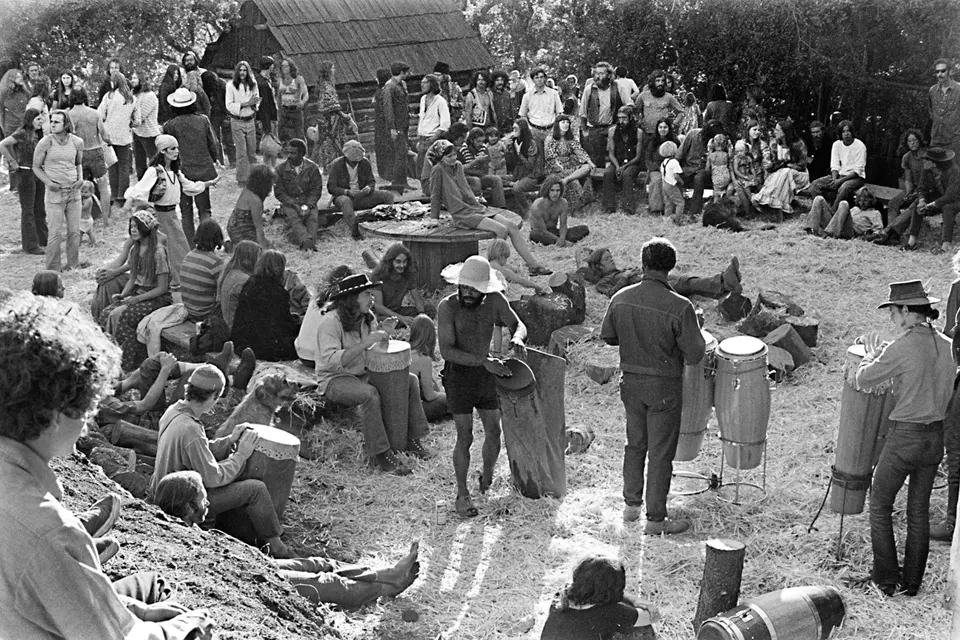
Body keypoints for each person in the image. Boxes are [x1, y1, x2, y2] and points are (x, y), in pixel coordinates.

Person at [0, 292, 216, 640]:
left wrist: (132, 611)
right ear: (55, 414)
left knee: (142, 592)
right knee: (178, 607)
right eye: (85, 407)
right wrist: (182, 628)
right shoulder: (52, 533)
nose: (87, 423)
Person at [153, 470, 420, 608]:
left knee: (315, 563)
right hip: (248, 581)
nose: (207, 501)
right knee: (324, 584)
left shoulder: (185, 528)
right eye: (202, 496)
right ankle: (386, 589)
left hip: (250, 566)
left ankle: (383, 573)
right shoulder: (183, 541)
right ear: (189, 507)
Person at [600, 238, 706, 533]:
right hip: (664, 386)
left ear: (643, 264)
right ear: (670, 267)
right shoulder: (680, 306)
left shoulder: (620, 297)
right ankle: (656, 519)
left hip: (630, 383)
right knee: (660, 453)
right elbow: (696, 355)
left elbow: (608, 336)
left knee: (635, 445)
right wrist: (694, 324)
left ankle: (631, 507)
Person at [855, 280, 955, 596]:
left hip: (904, 439)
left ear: (908, 311)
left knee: (880, 505)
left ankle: (886, 580)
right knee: (918, 512)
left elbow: (863, 379)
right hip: (934, 439)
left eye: (894, 312)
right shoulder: (947, 344)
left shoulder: (903, 346)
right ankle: (912, 583)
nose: (892, 319)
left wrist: (871, 357)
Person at [151, 363, 294, 559]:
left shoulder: (175, 412)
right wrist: (241, 455)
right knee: (255, 489)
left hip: (167, 492)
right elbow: (213, 478)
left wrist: (229, 440)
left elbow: (199, 450)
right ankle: (277, 546)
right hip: (182, 503)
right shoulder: (191, 429)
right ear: (213, 396)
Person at [295, 272, 429, 475]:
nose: (372, 298)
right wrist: (366, 342)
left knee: (408, 380)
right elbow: (332, 361)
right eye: (367, 294)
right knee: (369, 395)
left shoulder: (368, 318)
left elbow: (373, 352)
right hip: (334, 379)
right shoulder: (330, 323)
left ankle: (412, 439)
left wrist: (383, 334)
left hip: (363, 373)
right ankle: (381, 454)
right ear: (352, 299)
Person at [437, 256, 526, 517]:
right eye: (465, 287)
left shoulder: (496, 301)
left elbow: (517, 324)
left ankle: (486, 479)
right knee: (465, 436)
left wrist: (518, 338)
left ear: (485, 290)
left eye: (474, 290)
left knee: (493, 432)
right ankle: (462, 494)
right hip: (460, 376)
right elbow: (447, 350)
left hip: (487, 374)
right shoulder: (447, 307)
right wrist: (482, 361)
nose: (468, 293)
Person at [427, 139, 551, 276]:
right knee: (501, 230)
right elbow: (435, 195)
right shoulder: (437, 170)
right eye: (448, 156)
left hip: (475, 207)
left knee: (512, 227)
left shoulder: (458, 166)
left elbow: (465, 188)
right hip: (461, 213)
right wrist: (434, 219)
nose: (453, 158)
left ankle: (533, 265)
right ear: (440, 157)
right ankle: (492, 270)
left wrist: (477, 200)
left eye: (454, 155)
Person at [123, 134, 219, 286]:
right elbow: (140, 188)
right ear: (163, 151)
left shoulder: (175, 172)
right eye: (173, 149)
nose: (176, 152)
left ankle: (183, 279)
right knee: (170, 249)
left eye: (177, 148)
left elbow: (190, 187)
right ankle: (173, 281)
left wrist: (209, 183)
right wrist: (129, 200)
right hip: (160, 216)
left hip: (173, 215)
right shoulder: (155, 171)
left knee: (180, 247)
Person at [98, 210, 173, 371]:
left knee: (123, 316)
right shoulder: (135, 250)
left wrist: (136, 299)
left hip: (157, 298)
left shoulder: (158, 253)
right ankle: (109, 357)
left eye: (137, 227)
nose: (133, 230)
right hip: (138, 293)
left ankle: (129, 361)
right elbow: (133, 278)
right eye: (131, 226)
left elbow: (162, 288)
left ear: (146, 229)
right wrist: (123, 295)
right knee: (106, 313)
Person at [540, 555, 659, 640]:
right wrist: (635, 600)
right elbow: (651, 617)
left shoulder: (561, 596)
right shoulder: (611, 612)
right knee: (641, 628)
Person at [163, 87, 219, 247]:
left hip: (181, 171)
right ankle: (207, 243)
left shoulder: (170, 125)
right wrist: (212, 160)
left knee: (186, 212)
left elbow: (166, 151)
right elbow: (213, 144)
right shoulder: (203, 120)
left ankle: (189, 246)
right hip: (202, 168)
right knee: (204, 209)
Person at [581, 246, 741, 299]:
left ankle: (723, 284)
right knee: (685, 284)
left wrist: (634, 271)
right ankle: (723, 283)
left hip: (650, 277)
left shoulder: (620, 271)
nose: (613, 261)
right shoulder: (602, 282)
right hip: (648, 286)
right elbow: (611, 294)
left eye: (611, 257)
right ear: (599, 267)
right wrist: (624, 278)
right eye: (608, 260)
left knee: (685, 282)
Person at [33, 109, 84, 272]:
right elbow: (36, 167)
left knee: (74, 232)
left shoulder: (77, 142)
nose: (52, 124)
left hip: (74, 192)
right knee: (55, 233)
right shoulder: (45, 142)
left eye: (56, 122)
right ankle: (53, 268)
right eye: (51, 121)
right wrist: (49, 182)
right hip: (55, 192)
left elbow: (78, 164)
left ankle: (73, 264)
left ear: (66, 124)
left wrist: (80, 179)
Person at [231, 250, 299, 362]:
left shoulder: (250, 283)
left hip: (242, 341)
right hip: (264, 347)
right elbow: (284, 326)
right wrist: (296, 322)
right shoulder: (278, 292)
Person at [0, 107, 47, 254]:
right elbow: (2, 144)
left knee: (39, 208)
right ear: (30, 120)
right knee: (28, 211)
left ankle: (43, 240)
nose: (41, 121)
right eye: (38, 119)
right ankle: (31, 245)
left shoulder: (38, 134)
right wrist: (12, 162)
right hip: (25, 174)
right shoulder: (21, 133)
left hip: (38, 173)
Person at [328, 139, 396, 240]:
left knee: (388, 195)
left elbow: (371, 181)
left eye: (357, 160)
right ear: (346, 157)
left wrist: (369, 188)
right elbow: (331, 187)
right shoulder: (336, 165)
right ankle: (355, 232)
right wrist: (346, 191)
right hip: (344, 197)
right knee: (345, 201)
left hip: (362, 196)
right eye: (353, 161)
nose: (355, 163)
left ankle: (387, 225)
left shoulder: (365, 162)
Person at [67, 87, 112, 222]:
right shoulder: (94, 113)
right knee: (103, 186)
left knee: (79, 188)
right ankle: (106, 219)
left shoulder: (68, 115)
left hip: (79, 154)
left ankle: (83, 217)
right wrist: (110, 141)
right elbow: (104, 135)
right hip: (96, 151)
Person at [98, 72, 140, 211]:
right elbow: (137, 121)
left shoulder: (109, 96)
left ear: (113, 82)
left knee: (112, 166)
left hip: (109, 135)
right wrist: (129, 124)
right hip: (124, 137)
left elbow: (100, 114)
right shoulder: (132, 98)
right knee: (124, 167)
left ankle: (113, 196)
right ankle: (123, 196)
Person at [752, 120, 810, 217]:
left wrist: (787, 165)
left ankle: (764, 199)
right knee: (783, 173)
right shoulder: (774, 144)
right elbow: (773, 165)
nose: (775, 131)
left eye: (778, 130)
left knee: (785, 172)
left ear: (785, 132)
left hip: (799, 176)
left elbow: (802, 165)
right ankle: (777, 207)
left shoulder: (798, 144)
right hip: (780, 175)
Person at [578, 61, 631, 167]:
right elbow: (582, 112)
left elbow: (630, 104)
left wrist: (622, 112)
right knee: (596, 159)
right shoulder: (589, 89)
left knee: (616, 156)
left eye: (602, 73)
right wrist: (585, 131)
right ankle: (597, 183)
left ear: (609, 75)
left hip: (613, 126)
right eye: (596, 73)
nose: (598, 76)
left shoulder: (617, 87)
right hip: (594, 128)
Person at [908, 147, 960, 254]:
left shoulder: (954, 171)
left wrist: (931, 205)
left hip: (956, 200)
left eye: (926, 160)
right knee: (918, 205)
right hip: (939, 199)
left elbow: (951, 195)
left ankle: (945, 246)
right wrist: (922, 200)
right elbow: (921, 188)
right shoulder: (926, 169)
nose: (923, 161)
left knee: (948, 208)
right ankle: (911, 242)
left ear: (934, 163)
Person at [806, 120, 867, 212]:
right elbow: (835, 165)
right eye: (843, 131)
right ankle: (821, 211)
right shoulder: (837, 144)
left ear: (852, 132)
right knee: (815, 185)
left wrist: (840, 181)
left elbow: (858, 170)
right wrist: (834, 179)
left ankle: (832, 212)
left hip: (856, 178)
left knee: (844, 187)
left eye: (848, 131)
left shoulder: (860, 145)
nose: (846, 134)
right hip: (839, 175)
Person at [274, 138, 323, 250]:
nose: (289, 156)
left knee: (313, 217)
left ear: (302, 154)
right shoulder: (280, 169)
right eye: (288, 152)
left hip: (308, 201)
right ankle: (307, 243)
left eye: (293, 153)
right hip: (290, 202)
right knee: (294, 218)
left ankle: (309, 243)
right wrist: (294, 205)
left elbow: (316, 189)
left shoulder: (312, 168)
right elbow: (279, 192)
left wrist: (308, 205)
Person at [369, 243, 432, 325]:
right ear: (390, 261)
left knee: (430, 310)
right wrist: (401, 318)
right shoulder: (378, 275)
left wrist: (422, 315)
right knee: (388, 322)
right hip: (380, 314)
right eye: (398, 262)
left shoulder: (408, 273)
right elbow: (379, 307)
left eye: (404, 261)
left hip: (397, 310)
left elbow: (417, 298)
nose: (402, 265)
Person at [311, 61, 356, 172]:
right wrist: (345, 117)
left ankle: (329, 165)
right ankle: (333, 166)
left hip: (325, 119)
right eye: (333, 68)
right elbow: (333, 105)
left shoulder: (323, 85)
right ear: (328, 71)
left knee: (328, 142)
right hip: (332, 119)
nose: (334, 70)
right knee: (333, 142)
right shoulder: (327, 86)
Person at [519, 68, 563, 179]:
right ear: (533, 79)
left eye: (541, 77)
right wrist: (529, 129)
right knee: (537, 158)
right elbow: (522, 115)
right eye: (536, 77)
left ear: (545, 78)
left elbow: (559, 112)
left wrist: (557, 129)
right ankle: (538, 184)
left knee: (552, 157)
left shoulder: (553, 94)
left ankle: (553, 182)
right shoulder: (527, 96)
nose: (539, 80)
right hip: (534, 130)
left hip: (550, 129)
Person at [545, 114, 595, 212]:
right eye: (563, 122)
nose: (566, 124)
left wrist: (589, 162)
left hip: (569, 165)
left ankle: (568, 179)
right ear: (557, 125)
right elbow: (550, 158)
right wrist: (561, 168)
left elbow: (579, 150)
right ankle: (575, 207)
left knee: (587, 168)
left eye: (567, 122)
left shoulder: (570, 138)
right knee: (574, 181)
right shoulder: (550, 139)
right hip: (555, 167)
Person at [677, 119, 723, 219]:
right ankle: (673, 208)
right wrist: (674, 167)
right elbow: (680, 154)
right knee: (673, 176)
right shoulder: (693, 134)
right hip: (688, 168)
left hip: (704, 170)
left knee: (699, 178)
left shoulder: (718, 140)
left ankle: (694, 212)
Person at [408, 314, 450, 423]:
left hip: (395, 408)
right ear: (431, 337)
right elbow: (429, 396)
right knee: (452, 400)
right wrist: (443, 395)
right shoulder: (423, 359)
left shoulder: (404, 349)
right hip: (411, 412)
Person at [180, 219, 225, 322]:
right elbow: (223, 291)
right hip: (206, 313)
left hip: (189, 310)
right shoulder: (215, 262)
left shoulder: (189, 255)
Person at [226, 60, 260, 186]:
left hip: (250, 119)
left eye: (244, 70)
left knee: (252, 151)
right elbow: (229, 105)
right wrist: (245, 104)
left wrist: (254, 104)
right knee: (241, 152)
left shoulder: (253, 84)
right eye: (240, 70)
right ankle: (242, 179)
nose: (242, 73)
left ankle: (254, 178)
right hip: (237, 120)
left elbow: (256, 99)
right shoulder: (231, 85)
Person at [603, 106, 643, 214]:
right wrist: (617, 167)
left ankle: (628, 207)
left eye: (624, 118)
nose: (621, 121)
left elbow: (638, 156)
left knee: (627, 175)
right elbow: (611, 153)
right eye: (619, 118)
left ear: (630, 118)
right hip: (616, 161)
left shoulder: (638, 132)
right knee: (607, 173)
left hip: (632, 163)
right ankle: (609, 206)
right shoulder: (612, 131)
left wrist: (624, 167)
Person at [803, 186, 883, 239]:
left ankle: (829, 234)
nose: (862, 203)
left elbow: (878, 231)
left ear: (871, 201)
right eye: (860, 200)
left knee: (844, 204)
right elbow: (839, 217)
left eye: (865, 201)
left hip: (850, 231)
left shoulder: (875, 213)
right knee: (819, 198)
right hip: (837, 225)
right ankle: (812, 230)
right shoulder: (855, 209)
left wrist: (863, 237)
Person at [529, 176, 590, 246]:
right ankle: (559, 242)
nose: (555, 194)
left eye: (557, 190)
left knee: (584, 229)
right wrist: (563, 242)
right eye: (552, 190)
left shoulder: (563, 203)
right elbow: (543, 231)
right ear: (547, 190)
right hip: (542, 233)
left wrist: (562, 238)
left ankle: (556, 242)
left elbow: (563, 225)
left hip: (554, 231)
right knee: (534, 234)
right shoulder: (537, 206)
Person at [218, 240, 263, 332]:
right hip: (236, 329)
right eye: (259, 257)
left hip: (229, 324)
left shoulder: (231, 272)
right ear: (251, 259)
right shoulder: (244, 280)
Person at [458, 125, 507, 208]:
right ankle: (477, 206)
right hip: (466, 179)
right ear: (471, 140)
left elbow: (484, 171)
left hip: (480, 176)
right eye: (478, 141)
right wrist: (476, 162)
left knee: (496, 179)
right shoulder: (462, 150)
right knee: (476, 180)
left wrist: (470, 169)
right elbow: (460, 170)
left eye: (482, 141)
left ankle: (500, 206)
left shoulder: (483, 148)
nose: (481, 144)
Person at [227, 163, 275, 249]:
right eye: (271, 181)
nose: (272, 184)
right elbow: (258, 227)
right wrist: (263, 247)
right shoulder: (255, 200)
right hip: (241, 232)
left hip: (233, 227)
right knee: (270, 249)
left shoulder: (247, 191)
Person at [634, 70, 682, 152]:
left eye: (663, 81)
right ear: (652, 82)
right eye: (657, 81)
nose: (660, 83)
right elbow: (635, 111)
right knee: (647, 155)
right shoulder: (643, 96)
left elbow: (681, 112)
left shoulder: (669, 97)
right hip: (647, 133)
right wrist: (640, 122)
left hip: (663, 135)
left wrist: (674, 124)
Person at [732, 119, 772, 216]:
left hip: (756, 174)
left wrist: (765, 176)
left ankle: (751, 209)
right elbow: (733, 162)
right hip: (741, 174)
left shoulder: (762, 144)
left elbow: (766, 163)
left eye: (759, 130)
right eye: (754, 129)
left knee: (746, 186)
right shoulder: (740, 144)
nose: (757, 132)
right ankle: (748, 210)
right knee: (738, 186)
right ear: (748, 130)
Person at [383, 61, 413, 192]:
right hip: (397, 125)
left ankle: (403, 181)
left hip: (404, 123)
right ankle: (396, 183)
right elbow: (388, 108)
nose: (408, 74)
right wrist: (392, 127)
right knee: (401, 153)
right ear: (401, 72)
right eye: (406, 72)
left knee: (403, 152)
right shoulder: (389, 86)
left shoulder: (401, 84)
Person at [416, 73, 450, 177]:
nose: (422, 85)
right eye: (421, 82)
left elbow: (445, 123)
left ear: (432, 84)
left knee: (432, 167)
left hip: (433, 138)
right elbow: (421, 117)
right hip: (422, 138)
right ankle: (426, 190)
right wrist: (419, 133)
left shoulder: (440, 101)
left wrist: (434, 138)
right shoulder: (423, 99)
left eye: (425, 82)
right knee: (421, 168)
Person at [131, 70, 161, 180]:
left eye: (135, 78)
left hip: (149, 135)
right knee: (139, 165)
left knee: (154, 164)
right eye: (132, 78)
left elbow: (140, 116)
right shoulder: (135, 95)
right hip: (137, 133)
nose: (132, 80)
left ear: (141, 80)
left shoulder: (150, 96)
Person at [929, 58, 960, 162]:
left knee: (954, 173)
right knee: (933, 171)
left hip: (954, 141)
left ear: (950, 71)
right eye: (937, 72)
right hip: (936, 140)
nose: (939, 74)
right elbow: (931, 112)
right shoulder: (932, 91)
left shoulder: (959, 90)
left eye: (943, 71)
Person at [202, 69, 233, 167]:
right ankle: (219, 161)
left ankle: (233, 161)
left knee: (229, 139)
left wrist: (228, 115)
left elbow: (229, 101)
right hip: (214, 115)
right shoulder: (207, 86)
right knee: (215, 139)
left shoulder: (223, 85)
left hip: (224, 113)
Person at [276, 58, 308, 143]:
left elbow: (306, 94)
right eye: (282, 66)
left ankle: (304, 152)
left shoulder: (298, 79)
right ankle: (279, 151)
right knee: (278, 129)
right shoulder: (280, 80)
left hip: (295, 109)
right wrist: (279, 108)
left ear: (291, 67)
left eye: (286, 66)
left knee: (299, 133)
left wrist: (302, 102)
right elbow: (278, 96)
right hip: (284, 109)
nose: (284, 68)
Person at [255, 56, 278, 164]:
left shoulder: (265, 80)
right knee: (270, 147)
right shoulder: (262, 83)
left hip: (270, 117)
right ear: (270, 66)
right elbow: (264, 105)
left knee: (269, 147)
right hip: (267, 118)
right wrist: (267, 124)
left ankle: (269, 168)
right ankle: (270, 169)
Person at [372, 67, 394, 180]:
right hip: (383, 124)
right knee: (385, 147)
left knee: (384, 147)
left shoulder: (382, 91)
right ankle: (386, 173)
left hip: (382, 124)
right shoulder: (383, 90)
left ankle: (386, 172)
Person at [660, 140, 685, 222]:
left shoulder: (663, 162)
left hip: (665, 184)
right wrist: (682, 182)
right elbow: (676, 175)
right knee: (680, 203)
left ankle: (666, 220)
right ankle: (678, 220)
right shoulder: (674, 162)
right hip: (671, 184)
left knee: (668, 203)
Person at [0, 68, 30, 137]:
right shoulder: (4, 93)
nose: (21, 78)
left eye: (21, 77)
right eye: (18, 77)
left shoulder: (23, 91)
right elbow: (0, 111)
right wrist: (2, 127)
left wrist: (25, 87)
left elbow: (30, 99)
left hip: (23, 124)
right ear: (11, 79)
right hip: (10, 126)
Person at [707, 132, 733, 200]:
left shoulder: (711, 156)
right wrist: (730, 147)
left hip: (716, 179)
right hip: (726, 178)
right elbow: (731, 157)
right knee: (729, 185)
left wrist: (709, 149)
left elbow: (707, 169)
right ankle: (727, 198)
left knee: (716, 193)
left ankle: (716, 203)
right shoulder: (726, 155)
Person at [79, 179, 99, 245]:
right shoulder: (84, 198)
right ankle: (92, 242)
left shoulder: (88, 199)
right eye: (81, 192)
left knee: (82, 233)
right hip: (83, 219)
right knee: (88, 232)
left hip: (86, 220)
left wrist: (78, 205)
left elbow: (84, 208)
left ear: (91, 192)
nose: (83, 194)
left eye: (86, 192)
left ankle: (92, 243)